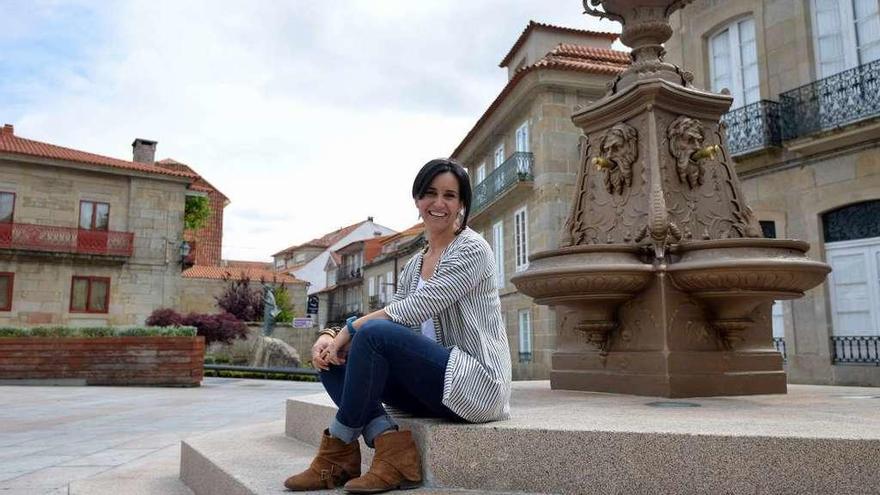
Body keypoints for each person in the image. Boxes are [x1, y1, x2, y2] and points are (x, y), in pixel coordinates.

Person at [284, 158, 511, 493]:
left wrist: (348, 329)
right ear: (417, 200)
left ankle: (338, 449)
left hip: (474, 383)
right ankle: (393, 449)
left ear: (461, 204)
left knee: (368, 334)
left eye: (450, 195)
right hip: (430, 387)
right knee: (332, 361)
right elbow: (397, 321)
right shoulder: (413, 265)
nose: (439, 203)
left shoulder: (473, 249)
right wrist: (333, 337)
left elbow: (416, 308)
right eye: (430, 193)